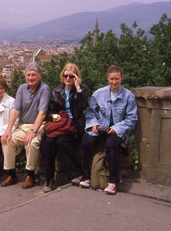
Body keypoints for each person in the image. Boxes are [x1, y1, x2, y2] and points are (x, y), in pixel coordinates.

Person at [79, 65, 138, 195]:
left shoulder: (128, 96)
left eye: (117, 79)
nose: (114, 82)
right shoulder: (98, 94)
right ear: (107, 78)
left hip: (117, 130)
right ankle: (86, 176)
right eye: (111, 79)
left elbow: (132, 118)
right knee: (86, 142)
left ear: (122, 78)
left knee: (112, 145)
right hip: (101, 127)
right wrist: (93, 125)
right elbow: (91, 113)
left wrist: (116, 128)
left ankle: (113, 181)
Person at [1, 62, 51, 189]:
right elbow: (15, 111)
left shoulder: (44, 89)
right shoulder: (22, 88)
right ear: (25, 76)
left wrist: (33, 132)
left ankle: (30, 175)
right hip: (23, 126)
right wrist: (8, 131)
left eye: (33, 75)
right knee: (7, 140)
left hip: (38, 126)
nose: (31, 78)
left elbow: (42, 113)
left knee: (32, 143)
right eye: (28, 75)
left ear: (39, 76)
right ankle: (11, 174)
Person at [41, 63, 89, 192]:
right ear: (62, 76)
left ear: (76, 77)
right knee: (49, 142)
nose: (68, 78)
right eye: (65, 75)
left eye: (71, 76)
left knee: (62, 142)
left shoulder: (82, 90)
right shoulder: (56, 91)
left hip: (74, 125)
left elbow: (83, 105)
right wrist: (53, 117)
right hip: (60, 124)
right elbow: (48, 112)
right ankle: (49, 178)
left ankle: (75, 173)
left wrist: (77, 86)